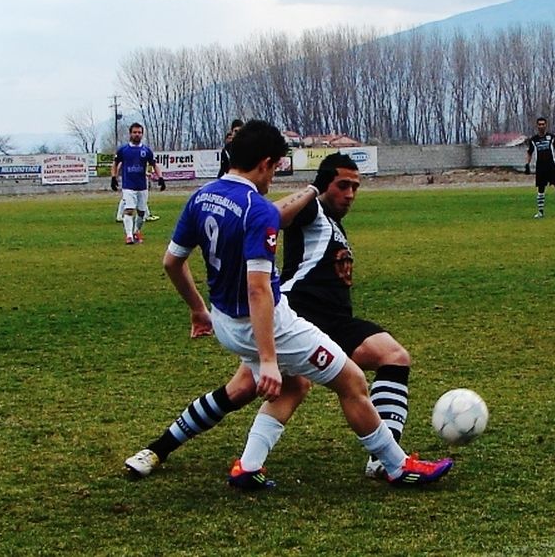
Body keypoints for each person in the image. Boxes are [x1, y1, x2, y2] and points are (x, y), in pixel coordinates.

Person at [134, 120, 451, 490]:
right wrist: (269, 358)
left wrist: (197, 309)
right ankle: (396, 465)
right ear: (266, 163)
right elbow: (258, 288)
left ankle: (237, 465)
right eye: (276, 168)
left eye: (355, 187)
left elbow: (172, 262)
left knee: (285, 387)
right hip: (277, 320)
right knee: (352, 381)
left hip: (225, 322)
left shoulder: (202, 196)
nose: (350, 193)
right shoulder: (260, 209)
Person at [111, 122, 165, 244]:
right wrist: (113, 177)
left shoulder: (146, 151)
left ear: (142, 134)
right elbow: (115, 164)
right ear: (130, 134)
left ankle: (136, 231)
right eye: (134, 132)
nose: (137, 134)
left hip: (142, 186)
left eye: (139, 132)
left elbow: (154, 165)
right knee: (129, 210)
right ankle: (129, 236)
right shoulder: (123, 150)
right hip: (128, 186)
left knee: (141, 212)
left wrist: (160, 178)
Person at [524, 117, 555, 218]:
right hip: (540, 167)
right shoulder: (533, 140)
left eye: (543, 124)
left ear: (546, 125)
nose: (541, 126)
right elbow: (529, 153)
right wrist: (527, 164)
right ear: (537, 126)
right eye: (539, 124)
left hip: (552, 166)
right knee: (540, 189)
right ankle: (540, 212)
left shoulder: (552, 137)